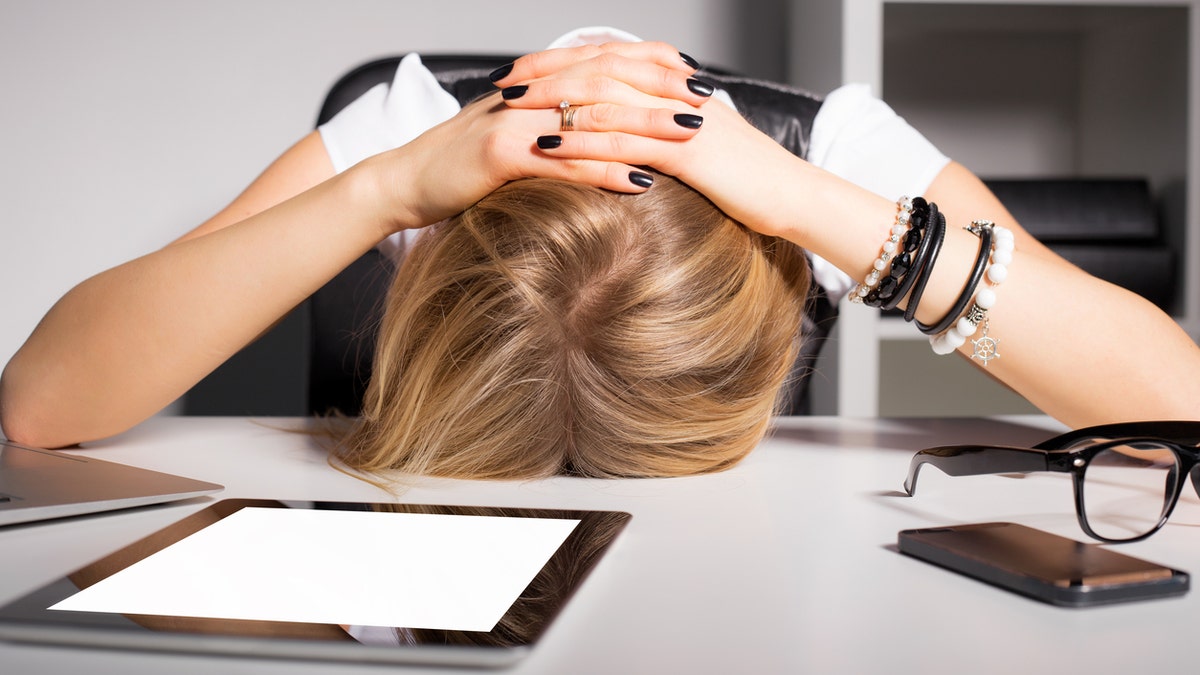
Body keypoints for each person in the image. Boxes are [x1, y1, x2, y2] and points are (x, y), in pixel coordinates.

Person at [1, 28, 1198, 479]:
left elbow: (1176, 410)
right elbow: (43, 404)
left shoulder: (828, 149)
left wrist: (805, 198)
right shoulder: (408, 125)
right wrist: (391, 179)